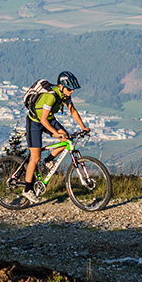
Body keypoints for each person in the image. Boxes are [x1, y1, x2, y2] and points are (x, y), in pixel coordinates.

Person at [23, 71, 91, 203]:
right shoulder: (51, 96)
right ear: (62, 86)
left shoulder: (64, 96)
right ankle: (27, 189)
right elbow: (43, 120)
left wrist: (83, 127)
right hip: (35, 122)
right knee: (35, 157)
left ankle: (49, 159)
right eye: (69, 89)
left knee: (68, 140)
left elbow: (72, 110)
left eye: (72, 90)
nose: (71, 92)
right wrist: (56, 133)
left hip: (49, 119)